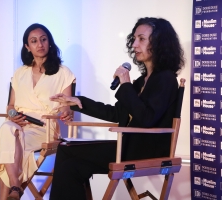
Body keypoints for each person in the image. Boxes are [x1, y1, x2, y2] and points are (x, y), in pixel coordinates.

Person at [49, 17, 185, 200]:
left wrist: (126, 84)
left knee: (66, 151)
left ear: (160, 42)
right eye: (134, 39)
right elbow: (116, 113)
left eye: (142, 39)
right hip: (129, 147)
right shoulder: (141, 82)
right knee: (70, 165)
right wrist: (78, 102)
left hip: (146, 151)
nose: (135, 44)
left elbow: (146, 118)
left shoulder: (166, 79)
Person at [0, 23, 75, 200]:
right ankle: (15, 187)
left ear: (50, 42)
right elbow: (10, 107)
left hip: (45, 127)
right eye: (34, 41)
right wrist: (14, 116)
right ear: (27, 47)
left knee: (7, 144)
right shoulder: (20, 73)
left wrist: (66, 110)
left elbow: (67, 104)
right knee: (8, 129)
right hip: (18, 124)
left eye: (43, 39)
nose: (40, 44)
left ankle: (11, 191)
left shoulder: (63, 72)